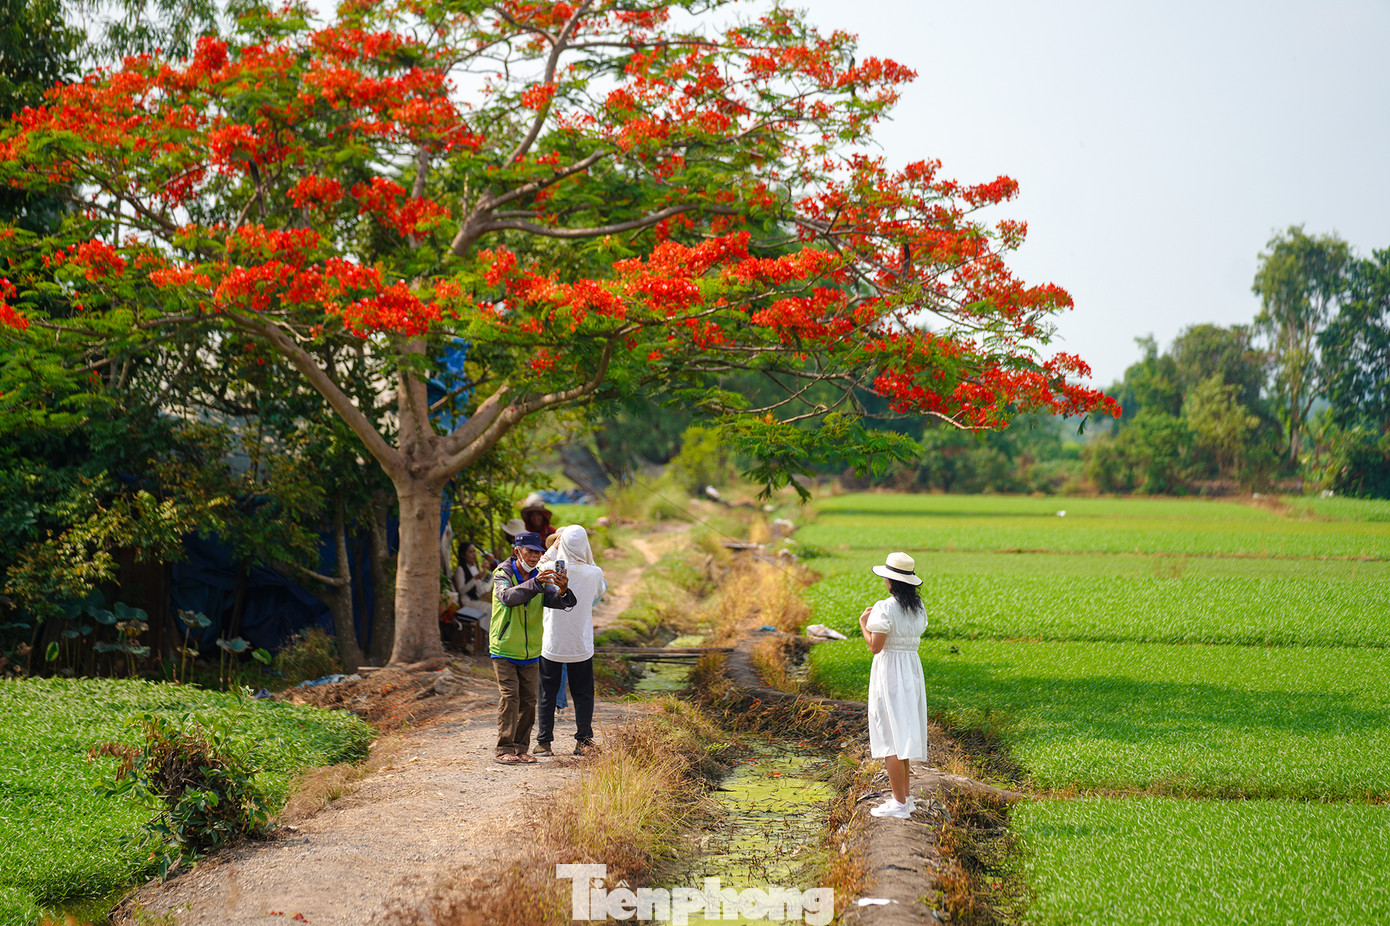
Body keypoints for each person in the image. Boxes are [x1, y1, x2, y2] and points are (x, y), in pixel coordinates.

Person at [490, 531, 576, 765]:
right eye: (530, 551)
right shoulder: (502, 573)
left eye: (538, 552)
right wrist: (536, 583)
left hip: (530, 651)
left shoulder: (540, 576)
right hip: (504, 647)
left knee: (529, 701)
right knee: (510, 697)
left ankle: (520, 749)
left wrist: (563, 590)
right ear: (517, 552)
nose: (535, 555)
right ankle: (503, 749)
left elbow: (559, 602)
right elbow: (507, 597)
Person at [858, 551, 930, 819]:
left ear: (890, 581)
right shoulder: (918, 609)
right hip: (911, 670)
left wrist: (864, 625)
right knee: (903, 735)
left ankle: (899, 804)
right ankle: (905, 799)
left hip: (889, 672)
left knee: (889, 737)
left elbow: (876, 647)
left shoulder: (884, 608)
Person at [533, 524, 607, 757]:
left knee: (547, 693)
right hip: (580, 644)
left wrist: (553, 550)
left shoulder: (548, 568)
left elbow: (536, 567)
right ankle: (583, 741)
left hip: (553, 642)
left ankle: (544, 743)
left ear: (561, 544)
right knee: (583, 693)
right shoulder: (594, 573)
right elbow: (598, 590)